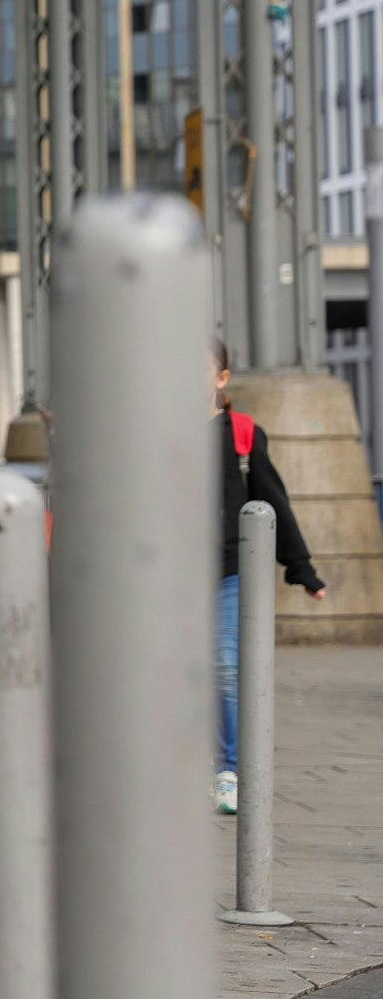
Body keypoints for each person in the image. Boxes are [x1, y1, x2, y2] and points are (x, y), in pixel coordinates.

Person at [210, 338, 326, 815]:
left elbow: (271, 499)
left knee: (224, 667)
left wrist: (301, 568)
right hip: (168, 574)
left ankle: (228, 771)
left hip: (229, 572)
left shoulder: (241, 431)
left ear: (221, 378)